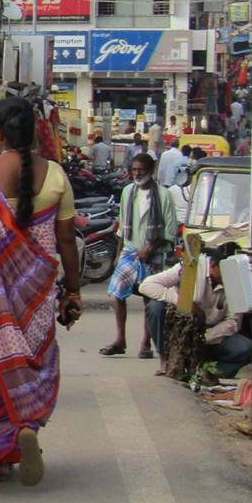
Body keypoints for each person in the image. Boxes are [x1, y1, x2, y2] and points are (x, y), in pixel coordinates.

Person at [0, 96, 80, 485]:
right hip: (37, 295)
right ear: (35, 132)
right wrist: (73, 292)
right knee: (31, 361)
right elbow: (67, 241)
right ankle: (26, 425)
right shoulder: (55, 175)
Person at [101, 153, 178, 359]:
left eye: (141, 170)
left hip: (155, 255)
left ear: (151, 171)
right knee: (116, 293)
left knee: (149, 298)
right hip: (130, 251)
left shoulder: (163, 195)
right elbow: (122, 226)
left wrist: (150, 247)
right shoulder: (128, 192)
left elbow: (170, 232)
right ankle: (120, 340)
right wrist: (118, 254)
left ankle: (146, 343)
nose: (137, 173)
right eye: (134, 170)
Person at [139, 254, 247, 379]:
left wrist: (203, 337)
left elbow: (233, 322)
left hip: (212, 335)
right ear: (213, 266)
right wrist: (184, 302)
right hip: (182, 330)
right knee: (155, 307)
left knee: (246, 349)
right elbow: (146, 285)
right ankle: (165, 361)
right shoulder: (190, 267)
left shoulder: (233, 282)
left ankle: (208, 371)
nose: (227, 276)